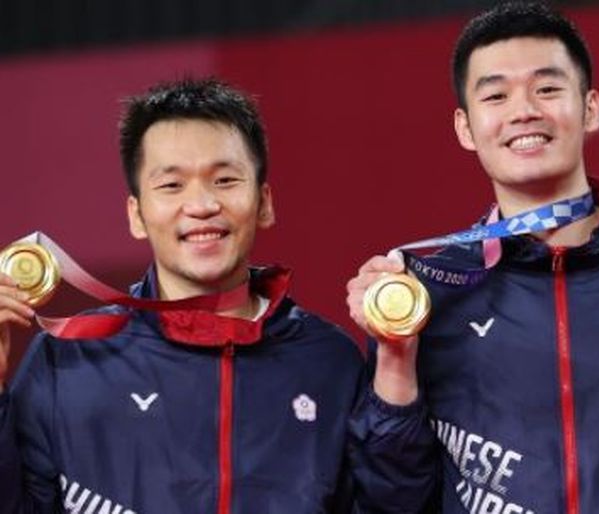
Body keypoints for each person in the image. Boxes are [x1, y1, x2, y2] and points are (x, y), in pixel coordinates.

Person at [346, 2, 599, 513]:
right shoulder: (431, 293)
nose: (524, 110)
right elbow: (393, 500)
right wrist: (395, 358)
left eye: (548, 88)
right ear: (466, 128)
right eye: (496, 95)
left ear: (591, 107)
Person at [0, 78, 363, 513]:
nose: (202, 204)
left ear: (264, 202)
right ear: (136, 214)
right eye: (172, 186)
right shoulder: (67, 360)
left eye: (225, 179)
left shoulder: (330, 362)